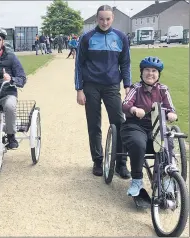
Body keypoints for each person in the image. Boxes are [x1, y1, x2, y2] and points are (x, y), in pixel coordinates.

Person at [75, 5, 131, 178]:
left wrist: (127, 85)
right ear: (96, 19)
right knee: (94, 124)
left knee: (120, 123)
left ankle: (121, 163)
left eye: (108, 19)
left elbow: (125, 63)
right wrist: (79, 89)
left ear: (112, 18)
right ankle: (98, 161)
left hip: (112, 86)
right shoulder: (86, 38)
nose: (104, 22)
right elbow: (78, 65)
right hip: (91, 86)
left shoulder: (121, 37)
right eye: (101, 19)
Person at [121, 56, 177, 196]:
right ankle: (137, 180)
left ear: (158, 74)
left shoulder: (163, 89)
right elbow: (125, 104)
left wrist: (171, 114)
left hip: (156, 126)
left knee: (166, 143)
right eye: (147, 70)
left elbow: (171, 108)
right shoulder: (136, 88)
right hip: (135, 125)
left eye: (154, 71)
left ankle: (164, 178)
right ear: (141, 72)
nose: (150, 73)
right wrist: (134, 110)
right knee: (138, 143)